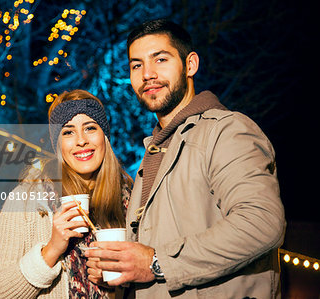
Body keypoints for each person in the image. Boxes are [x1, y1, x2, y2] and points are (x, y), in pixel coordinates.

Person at [85, 18, 286, 298]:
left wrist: (156, 263)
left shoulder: (226, 130)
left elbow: (261, 223)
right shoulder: (155, 149)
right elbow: (153, 252)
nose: (147, 74)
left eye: (161, 59)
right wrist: (121, 270)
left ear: (190, 65)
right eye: (136, 65)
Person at [0, 89, 132, 298]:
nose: (81, 140)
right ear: (58, 145)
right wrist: (51, 250)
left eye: (90, 128)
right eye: (68, 132)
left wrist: (117, 281)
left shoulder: (131, 203)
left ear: (104, 136)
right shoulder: (27, 201)